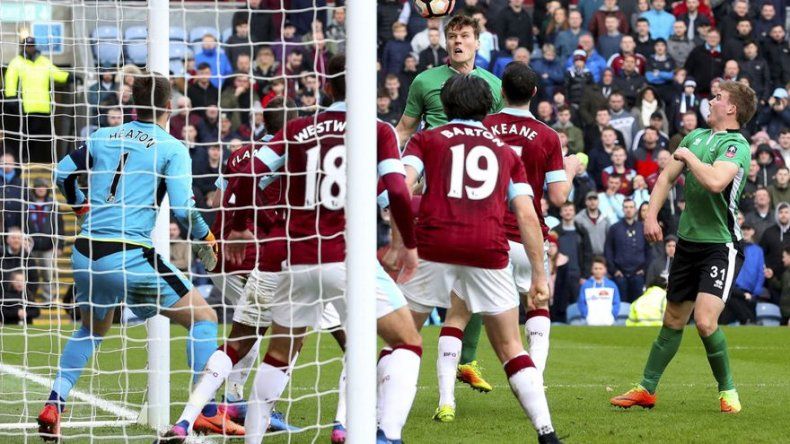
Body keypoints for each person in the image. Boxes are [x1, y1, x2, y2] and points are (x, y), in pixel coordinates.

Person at [220, 55, 423, 444]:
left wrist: (240, 225)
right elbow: (398, 189)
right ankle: (386, 435)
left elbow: (247, 173)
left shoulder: (296, 128)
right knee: (407, 341)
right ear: (369, 87)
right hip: (348, 256)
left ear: (327, 87)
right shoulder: (378, 130)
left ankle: (253, 439)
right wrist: (407, 244)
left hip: (297, 257)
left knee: (279, 354)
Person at [38, 71, 219, 441]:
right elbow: (184, 209)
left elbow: (62, 172)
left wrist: (80, 207)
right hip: (129, 254)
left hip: (85, 253)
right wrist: (206, 236)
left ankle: (54, 403)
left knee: (91, 330)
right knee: (204, 318)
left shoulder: (102, 136)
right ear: (170, 106)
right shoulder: (172, 147)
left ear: (132, 105)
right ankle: (207, 413)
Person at [396, 74, 560, 443]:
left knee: (403, 340)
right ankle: (546, 432)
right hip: (488, 248)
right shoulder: (503, 150)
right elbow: (527, 213)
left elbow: (401, 187)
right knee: (510, 347)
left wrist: (400, 240)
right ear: (488, 105)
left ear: (446, 106)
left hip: (434, 245)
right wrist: (538, 274)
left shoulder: (427, 139)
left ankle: (383, 428)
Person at [610, 80, 757, 414]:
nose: (711, 100)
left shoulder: (736, 145)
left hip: (720, 245)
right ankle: (646, 389)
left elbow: (716, 182)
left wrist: (688, 155)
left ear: (731, 108)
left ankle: (728, 391)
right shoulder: (696, 137)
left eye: (718, 97)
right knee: (672, 319)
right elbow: (664, 179)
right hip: (688, 245)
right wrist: (650, 216)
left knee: (705, 322)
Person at [394, 14, 503, 392]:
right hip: (433, 177)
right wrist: (389, 166)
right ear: (444, 43)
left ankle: (466, 359)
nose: (458, 42)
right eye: (452, 36)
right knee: (435, 271)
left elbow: (502, 135)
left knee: (472, 271)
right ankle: (401, 349)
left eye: (465, 36)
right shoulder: (425, 81)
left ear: (478, 41)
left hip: (478, 186)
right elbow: (405, 128)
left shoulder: (493, 85)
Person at [483, 63, 577, 376]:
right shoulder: (548, 136)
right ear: (534, 93)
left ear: (501, 91)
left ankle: (448, 394)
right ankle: (533, 376)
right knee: (536, 302)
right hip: (528, 235)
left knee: (463, 310)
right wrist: (573, 167)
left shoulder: (484, 126)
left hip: (488, 233)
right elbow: (559, 197)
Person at [4, 36, 74, 164]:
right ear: (22, 46)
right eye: (27, 45)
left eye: (31, 45)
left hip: (43, 108)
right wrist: (11, 97)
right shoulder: (16, 62)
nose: (29, 48)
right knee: (25, 139)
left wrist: (69, 77)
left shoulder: (44, 61)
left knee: (42, 140)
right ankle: (24, 163)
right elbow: (10, 80)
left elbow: (56, 73)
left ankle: (39, 164)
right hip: (25, 109)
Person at [604, 198, 651, 302]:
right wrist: (614, 270)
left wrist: (644, 269)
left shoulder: (642, 228)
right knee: (622, 305)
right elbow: (608, 250)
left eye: (631, 207)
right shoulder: (614, 228)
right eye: (626, 207)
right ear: (622, 209)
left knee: (638, 304)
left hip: (638, 274)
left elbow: (649, 251)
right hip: (620, 275)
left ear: (635, 209)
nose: (628, 210)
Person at [26, 178, 64, 302]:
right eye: (38, 186)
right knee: (30, 274)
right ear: (34, 189)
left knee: (48, 274)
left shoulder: (53, 204)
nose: (41, 189)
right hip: (30, 246)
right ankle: (29, 297)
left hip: (48, 246)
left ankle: (48, 298)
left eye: (43, 186)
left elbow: (60, 226)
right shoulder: (26, 204)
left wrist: (60, 246)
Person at [720, 224, 763, 325]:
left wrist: (756, 292)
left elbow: (761, 272)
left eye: (748, 229)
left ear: (753, 231)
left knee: (746, 317)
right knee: (731, 316)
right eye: (743, 229)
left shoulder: (758, 250)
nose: (746, 231)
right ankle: (749, 321)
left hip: (751, 291)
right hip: (735, 289)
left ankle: (749, 321)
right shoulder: (735, 248)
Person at [578, 257, 621, 325]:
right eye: (596, 268)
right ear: (592, 270)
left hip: (609, 321)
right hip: (590, 321)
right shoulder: (585, 285)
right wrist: (586, 315)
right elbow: (581, 302)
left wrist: (613, 315)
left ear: (605, 270)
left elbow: (616, 302)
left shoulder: (612, 285)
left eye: (600, 268)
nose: (598, 271)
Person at [575, 191, 611, 256]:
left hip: (603, 256)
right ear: (586, 202)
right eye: (590, 199)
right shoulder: (578, 219)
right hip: (586, 256)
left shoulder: (605, 218)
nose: (592, 202)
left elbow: (610, 238)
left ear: (598, 201)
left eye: (595, 199)